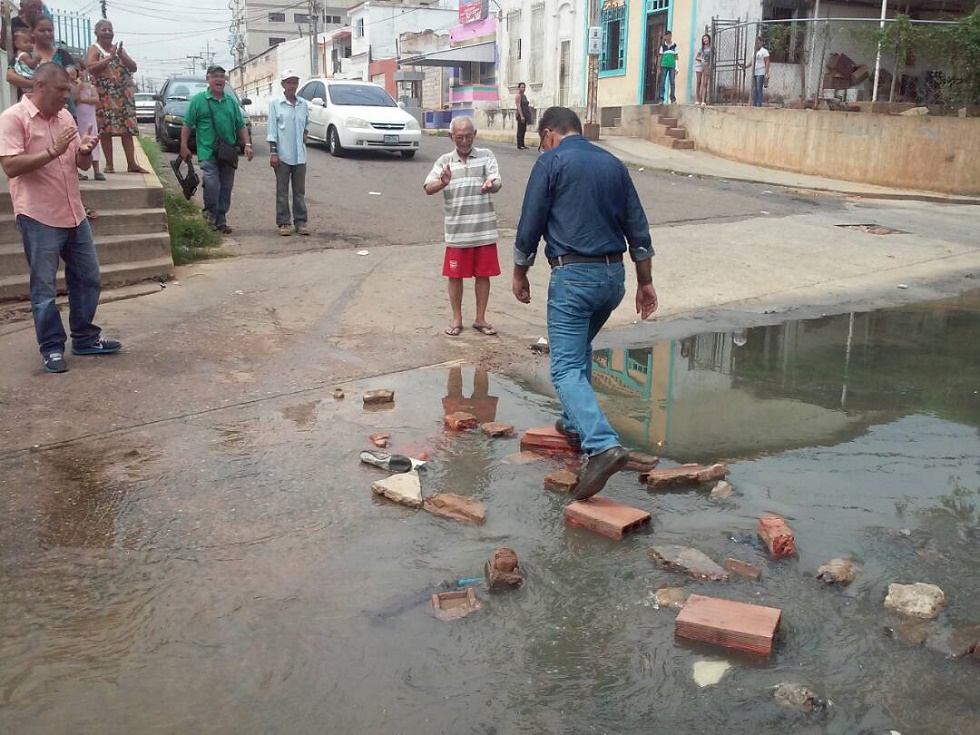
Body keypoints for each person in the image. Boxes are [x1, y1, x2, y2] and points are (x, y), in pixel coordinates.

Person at [512, 107, 658, 500]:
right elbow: (638, 228)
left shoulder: (551, 161)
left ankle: (601, 445)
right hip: (613, 280)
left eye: (543, 139)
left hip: (573, 279)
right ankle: (575, 426)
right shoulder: (613, 164)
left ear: (549, 134)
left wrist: (520, 269)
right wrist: (646, 283)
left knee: (563, 368)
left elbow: (531, 222)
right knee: (579, 351)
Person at [0, 63, 121, 374]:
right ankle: (52, 347)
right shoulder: (13, 118)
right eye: (62, 91)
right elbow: (11, 167)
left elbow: (77, 165)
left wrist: (83, 151)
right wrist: (54, 150)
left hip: (73, 212)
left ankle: (84, 338)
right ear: (40, 86)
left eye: (69, 90)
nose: (68, 97)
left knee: (88, 277)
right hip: (38, 215)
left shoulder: (65, 117)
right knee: (44, 288)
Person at [423, 116, 502, 337]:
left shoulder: (487, 156)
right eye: (459, 137)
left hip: (483, 230)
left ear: (475, 135)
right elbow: (428, 188)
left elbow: (497, 181)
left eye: (468, 136)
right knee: (454, 276)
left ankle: (480, 318)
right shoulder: (444, 161)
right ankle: (456, 319)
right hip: (457, 231)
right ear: (451, 137)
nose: (465, 141)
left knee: (483, 275)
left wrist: (490, 184)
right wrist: (443, 182)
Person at [180, 64, 254, 234]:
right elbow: (187, 124)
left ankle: (220, 219)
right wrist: (183, 146)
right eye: (215, 76)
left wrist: (247, 145)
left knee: (226, 187)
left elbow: (240, 125)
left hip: (228, 153)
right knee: (213, 183)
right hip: (208, 151)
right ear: (208, 79)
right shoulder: (198, 100)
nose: (219, 79)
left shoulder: (231, 102)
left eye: (222, 76)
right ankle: (210, 214)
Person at [85, 19, 147, 173]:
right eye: (104, 30)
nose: (107, 33)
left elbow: (133, 67)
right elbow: (90, 68)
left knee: (127, 129)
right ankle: (109, 165)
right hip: (105, 95)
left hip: (122, 95)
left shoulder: (118, 49)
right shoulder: (94, 49)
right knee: (106, 130)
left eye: (109, 30)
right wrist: (109, 58)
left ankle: (132, 164)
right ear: (96, 33)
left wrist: (121, 56)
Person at [267, 69, 310, 236]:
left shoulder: (303, 104)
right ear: (283, 85)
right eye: (289, 82)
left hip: (300, 156)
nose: (292, 86)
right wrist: (273, 153)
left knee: (299, 192)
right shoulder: (275, 104)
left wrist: (304, 134)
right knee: (282, 191)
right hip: (283, 155)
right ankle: (284, 222)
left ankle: (301, 222)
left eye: (294, 82)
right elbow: (272, 130)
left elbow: (307, 123)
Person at [73, 66, 105, 181]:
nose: (80, 73)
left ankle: (96, 170)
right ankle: (76, 172)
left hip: (89, 120)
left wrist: (83, 99)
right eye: (77, 71)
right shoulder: (72, 88)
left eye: (82, 70)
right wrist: (77, 87)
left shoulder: (91, 87)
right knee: (75, 144)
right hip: (77, 119)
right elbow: (74, 100)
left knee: (92, 142)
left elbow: (96, 100)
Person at [657, 30, 678, 104]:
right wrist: (659, 68)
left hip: (672, 66)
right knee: (662, 82)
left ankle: (673, 99)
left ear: (671, 36)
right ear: (665, 37)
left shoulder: (674, 45)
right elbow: (660, 57)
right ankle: (661, 99)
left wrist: (677, 67)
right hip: (664, 65)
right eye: (667, 36)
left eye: (669, 35)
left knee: (672, 82)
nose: (668, 37)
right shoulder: (663, 46)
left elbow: (676, 56)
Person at [695, 33, 712, 105]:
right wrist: (701, 59)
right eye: (704, 39)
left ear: (709, 39)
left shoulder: (711, 48)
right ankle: (697, 99)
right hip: (699, 65)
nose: (705, 40)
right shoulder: (701, 49)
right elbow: (696, 57)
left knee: (705, 83)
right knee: (698, 82)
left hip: (707, 66)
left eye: (706, 38)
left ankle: (703, 100)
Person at [752, 37, 770, 107]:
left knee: (759, 88)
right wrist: (746, 66)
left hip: (761, 71)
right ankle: (754, 103)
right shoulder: (755, 51)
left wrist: (766, 72)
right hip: (755, 71)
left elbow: (767, 62)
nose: (757, 43)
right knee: (755, 88)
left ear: (762, 43)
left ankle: (759, 104)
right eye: (756, 42)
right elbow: (752, 60)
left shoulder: (764, 51)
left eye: (759, 42)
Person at [515, 82, 530, 150]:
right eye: (522, 87)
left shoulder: (524, 96)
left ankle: (523, 144)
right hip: (520, 115)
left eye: (524, 87)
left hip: (525, 114)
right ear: (519, 88)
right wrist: (521, 116)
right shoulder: (518, 96)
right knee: (520, 130)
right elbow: (518, 106)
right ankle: (519, 145)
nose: (523, 88)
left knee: (524, 130)